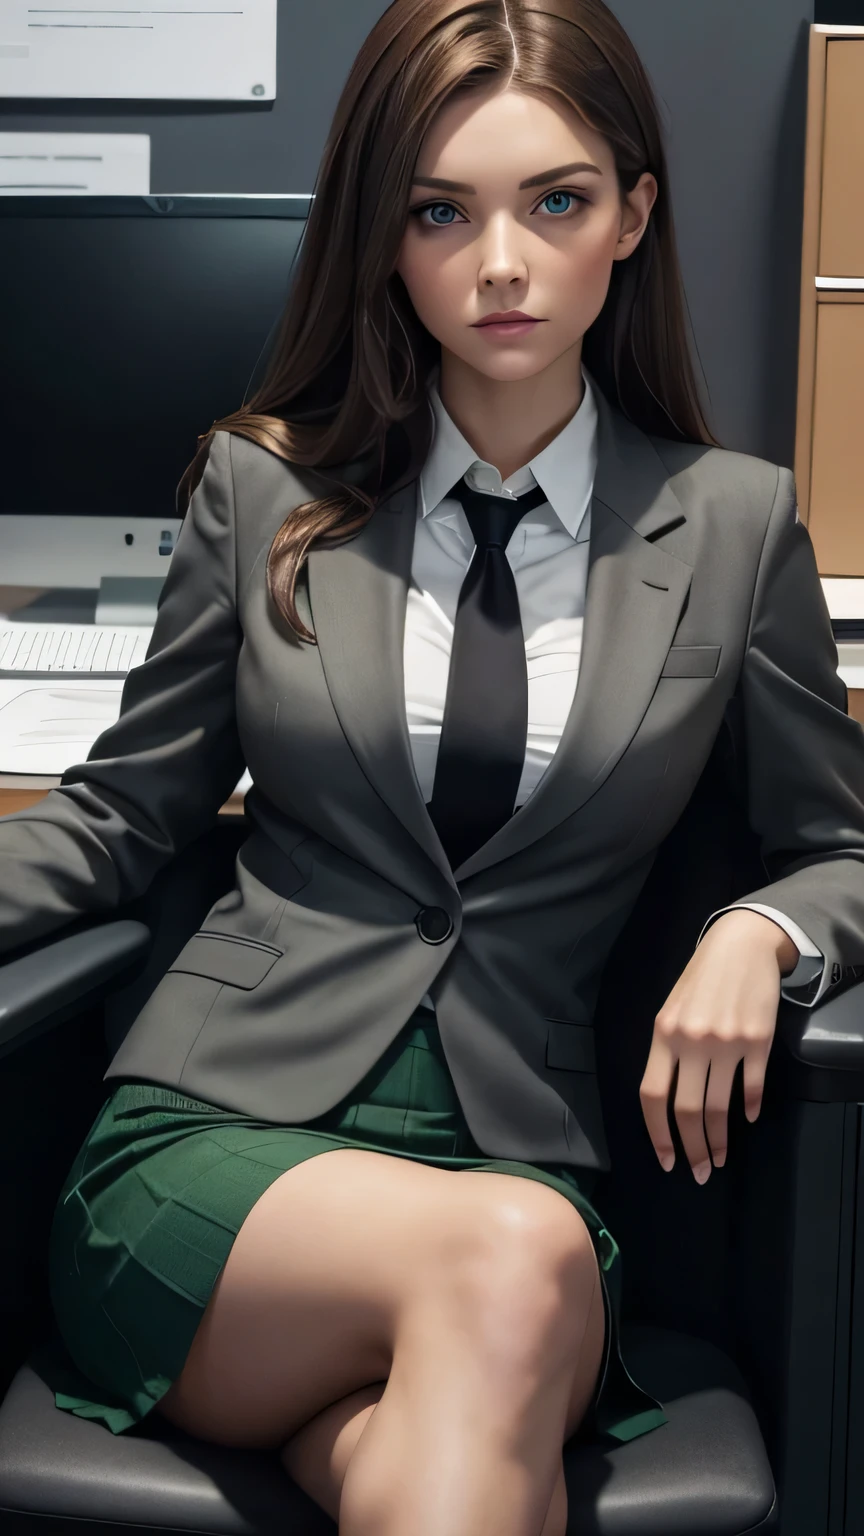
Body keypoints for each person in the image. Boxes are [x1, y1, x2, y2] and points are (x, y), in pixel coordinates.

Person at [3, 2, 864, 1533]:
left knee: (434, 1438)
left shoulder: (735, 527)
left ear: (634, 215)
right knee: (509, 1275)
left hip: (516, 1167)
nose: (503, 264)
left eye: (557, 201)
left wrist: (766, 927)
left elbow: (841, 844)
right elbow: (122, 813)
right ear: (385, 241)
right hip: (218, 1153)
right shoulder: (263, 489)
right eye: (439, 212)